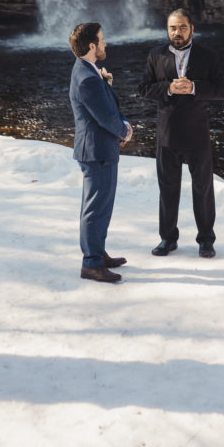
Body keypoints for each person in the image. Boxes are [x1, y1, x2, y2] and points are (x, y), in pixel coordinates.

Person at [138, 8, 224, 258]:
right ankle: (167, 238)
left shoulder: (208, 55)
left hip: (198, 132)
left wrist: (194, 87)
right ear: (167, 30)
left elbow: (221, 90)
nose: (177, 32)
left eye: (182, 27)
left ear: (192, 29)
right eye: (172, 28)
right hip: (167, 133)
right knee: (167, 187)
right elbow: (144, 88)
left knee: (203, 187)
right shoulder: (155, 55)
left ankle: (206, 240)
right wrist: (168, 87)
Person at [69, 22, 132, 283]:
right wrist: (124, 131)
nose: (105, 44)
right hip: (96, 150)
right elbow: (104, 116)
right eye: (102, 40)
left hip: (100, 148)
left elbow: (108, 106)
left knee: (101, 205)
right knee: (95, 207)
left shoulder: (88, 71)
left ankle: (98, 252)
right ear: (92, 45)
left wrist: (123, 123)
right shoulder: (86, 78)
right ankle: (91, 263)